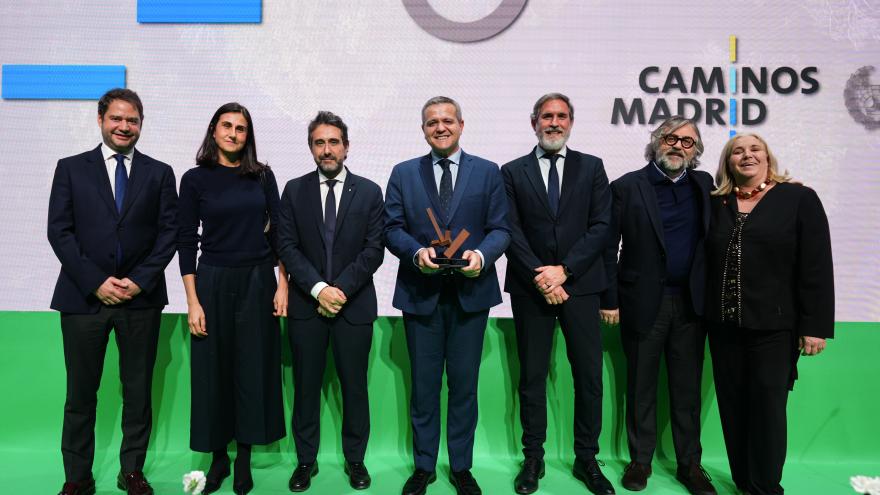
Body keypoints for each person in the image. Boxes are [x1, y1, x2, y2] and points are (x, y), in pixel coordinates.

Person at [48, 88, 178, 495]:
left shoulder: (159, 173)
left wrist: (139, 280)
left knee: (138, 390)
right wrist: (95, 282)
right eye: (117, 119)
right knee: (81, 394)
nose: (125, 127)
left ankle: (132, 471)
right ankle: (77, 477)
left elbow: (169, 233)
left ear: (141, 124)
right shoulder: (70, 168)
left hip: (141, 300)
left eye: (133, 120)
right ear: (101, 120)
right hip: (83, 299)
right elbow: (59, 231)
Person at [384, 96, 510, 495]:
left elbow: (501, 229)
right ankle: (424, 466)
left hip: (470, 295)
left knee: (464, 387)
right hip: (420, 295)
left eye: (447, 121)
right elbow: (391, 227)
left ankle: (461, 467)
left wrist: (483, 255)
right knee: (423, 388)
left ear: (461, 124)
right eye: (432, 122)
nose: (440, 127)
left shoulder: (488, 172)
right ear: (423, 129)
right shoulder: (403, 173)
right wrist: (414, 251)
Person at [706, 133, 834, 495]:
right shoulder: (719, 202)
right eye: (737, 152)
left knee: (768, 408)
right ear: (728, 163)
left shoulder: (798, 198)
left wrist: (815, 326)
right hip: (724, 326)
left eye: (754, 149)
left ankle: (766, 488)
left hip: (775, 328)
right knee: (733, 406)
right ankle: (745, 482)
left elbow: (816, 265)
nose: (746, 155)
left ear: (767, 157)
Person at [501, 93, 614, 495]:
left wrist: (564, 272)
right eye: (546, 116)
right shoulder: (511, 172)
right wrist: (542, 277)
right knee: (532, 376)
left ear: (571, 122)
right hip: (531, 289)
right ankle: (533, 458)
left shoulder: (592, 167)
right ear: (534, 122)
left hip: (580, 286)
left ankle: (587, 459)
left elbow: (602, 226)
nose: (553, 122)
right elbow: (509, 229)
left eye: (561, 116)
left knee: (588, 375)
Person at [599, 116, 717, 495]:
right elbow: (608, 247)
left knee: (686, 389)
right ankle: (640, 461)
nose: (678, 146)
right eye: (670, 138)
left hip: (691, 305)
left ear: (696, 152)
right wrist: (610, 299)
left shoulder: (704, 185)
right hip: (641, 302)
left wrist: (776, 187)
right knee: (640, 386)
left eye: (687, 141)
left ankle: (690, 465)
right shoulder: (626, 186)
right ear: (656, 142)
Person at [177, 102, 287, 495]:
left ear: (248, 136)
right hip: (213, 282)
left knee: (252, 369)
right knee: (213, 371)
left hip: (259, 280)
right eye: (227, 126)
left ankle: (243, 459)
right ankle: (218, 459)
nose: (234, 134)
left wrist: (283, 283)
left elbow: (279, 234)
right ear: (213, 130)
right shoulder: (193, 180)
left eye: (241, 129)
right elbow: (186, 240)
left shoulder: (262, 176)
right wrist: (193, 300)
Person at [277, 111, 385, 492]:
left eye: (334, 142)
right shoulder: (293, 190)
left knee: (354, 388)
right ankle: (306, 462)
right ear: (311, 148)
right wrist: (319, 289)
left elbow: (374, 250)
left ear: (346, 147)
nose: (327, 149)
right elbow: (286, 247)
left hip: (353, 308)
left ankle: (356, 461)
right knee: (305, 389)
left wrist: (338, 290)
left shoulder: (370, 191)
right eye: (320, 142)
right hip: (307, 309)